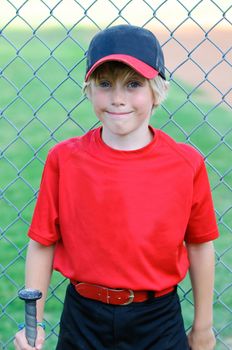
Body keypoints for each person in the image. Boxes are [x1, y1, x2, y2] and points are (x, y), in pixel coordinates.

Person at [14, 24, 219, 350]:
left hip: (158, 318)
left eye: (133, 84)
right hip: (83, 317)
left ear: (157, 90)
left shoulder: (186, 162)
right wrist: (34, 322)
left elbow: (199, 245)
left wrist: (204, 328)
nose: (118, 98)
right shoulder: (65, 159)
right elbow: (42, 242)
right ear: (89, 90)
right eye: (105, 84)